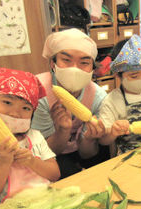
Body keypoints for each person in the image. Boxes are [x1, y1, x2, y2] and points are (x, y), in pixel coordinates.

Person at [0, 68, 60, 209]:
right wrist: (4, 163)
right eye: (7, 102)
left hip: (46, 203)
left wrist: (32, 162)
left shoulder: (35, 137)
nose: (15, 113)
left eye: (26, 108)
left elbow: (55, 175)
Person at [31, 28, 109, 179]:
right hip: (49, 151)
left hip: (80, 149)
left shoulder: (98, 97)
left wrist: (89, 138)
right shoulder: (39, 92)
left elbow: (87, 154)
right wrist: (62, 131)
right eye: (66, 60)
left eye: (84, 62)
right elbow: (43, 153)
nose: (74, 68)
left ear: (92, 69)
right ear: (53, 63)